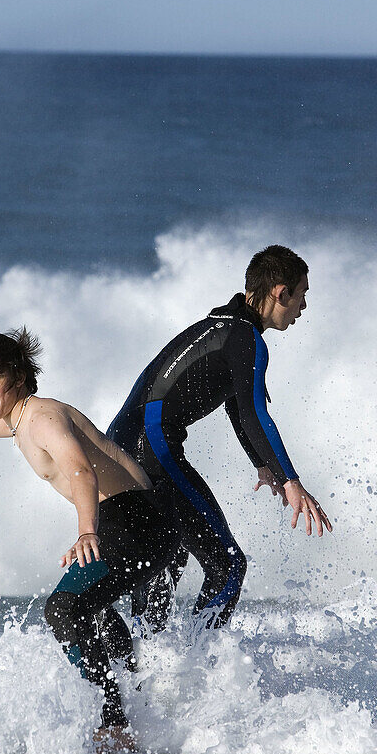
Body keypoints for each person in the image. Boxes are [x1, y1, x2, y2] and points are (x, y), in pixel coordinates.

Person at [0, 329, 179, 752]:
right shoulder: (22, 418)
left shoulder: (43, 418)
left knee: (64, 609)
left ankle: (115, 721)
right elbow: (0, 427)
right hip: (138, 520)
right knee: (90, 609)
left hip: (137, 522)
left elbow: (81, 471)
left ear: (19, 376)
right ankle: (136, 694)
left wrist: (86, 530)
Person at [100, 244, 332, 648]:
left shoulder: (223, 327)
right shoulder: (245, 339)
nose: (304, 306)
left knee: (163, 558)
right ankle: (193, 666)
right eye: (301, 295)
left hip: (119, 448)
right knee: (227, 566)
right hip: (152, 450)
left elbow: (235, 405)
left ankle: (142, 667)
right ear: (280, 293)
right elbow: (254, 413)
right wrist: (291, 480)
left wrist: (264, 465)